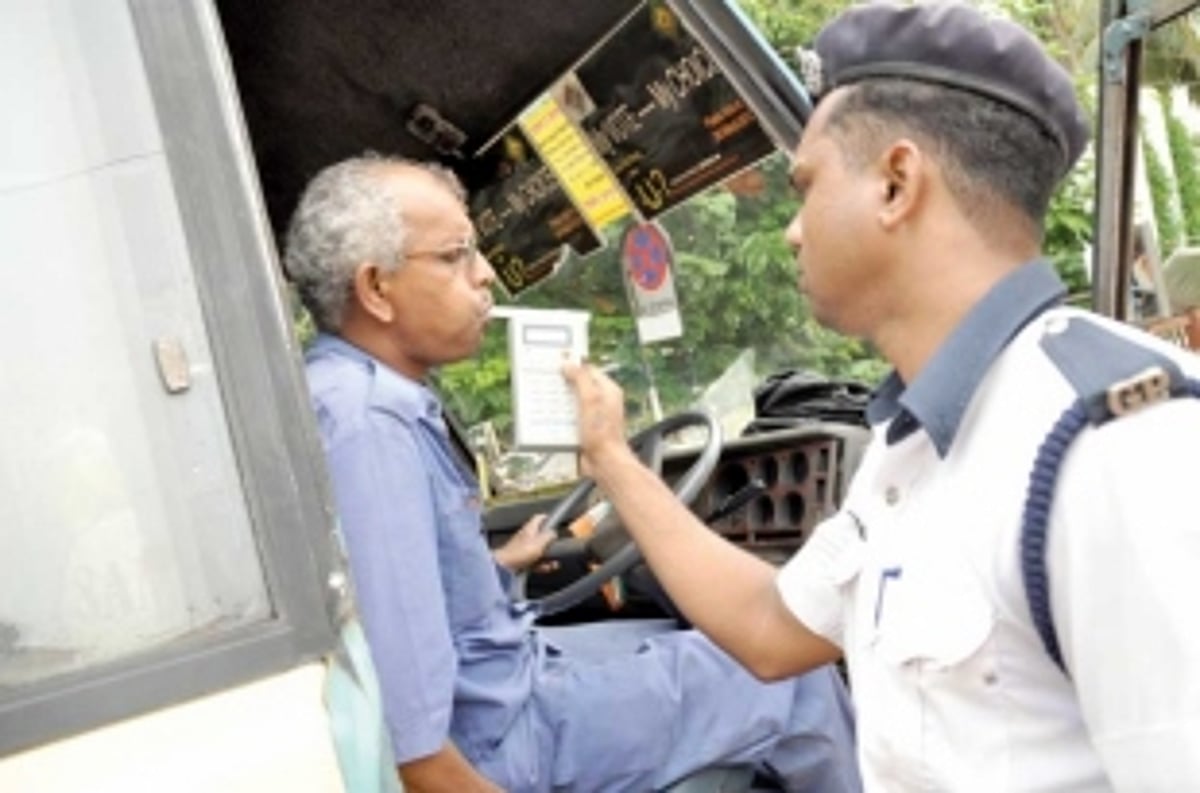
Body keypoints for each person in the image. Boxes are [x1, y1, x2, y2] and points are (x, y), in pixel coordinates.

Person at [562, 3, 1200, 791]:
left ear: (896, 183)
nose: (793, 231)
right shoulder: (909, 446)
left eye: (807, 187)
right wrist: (614, 461)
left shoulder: (1112, 446)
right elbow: (770, 628)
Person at [285, 154, 860, 792]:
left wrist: (499, 565)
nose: (484, 279)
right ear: (375, 289)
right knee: (792, 674)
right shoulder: (369, 424)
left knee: (681, 634)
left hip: (508, 676)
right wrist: (609, 455)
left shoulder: (348, 394)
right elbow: (414, 752)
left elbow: (396, 596)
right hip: (506, 733)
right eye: (455, 256)